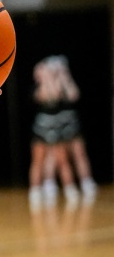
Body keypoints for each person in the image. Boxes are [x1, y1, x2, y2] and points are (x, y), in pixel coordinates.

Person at [29, 56, 96, 211]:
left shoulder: (62, 81)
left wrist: (64, 74)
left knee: (63, 157)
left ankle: (76, 186)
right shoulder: (38, 87)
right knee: (40, 158)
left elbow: (72, 95)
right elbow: (50, 96)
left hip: (63, 122)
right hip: (43, 125)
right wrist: (45, 76)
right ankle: (37, 190)